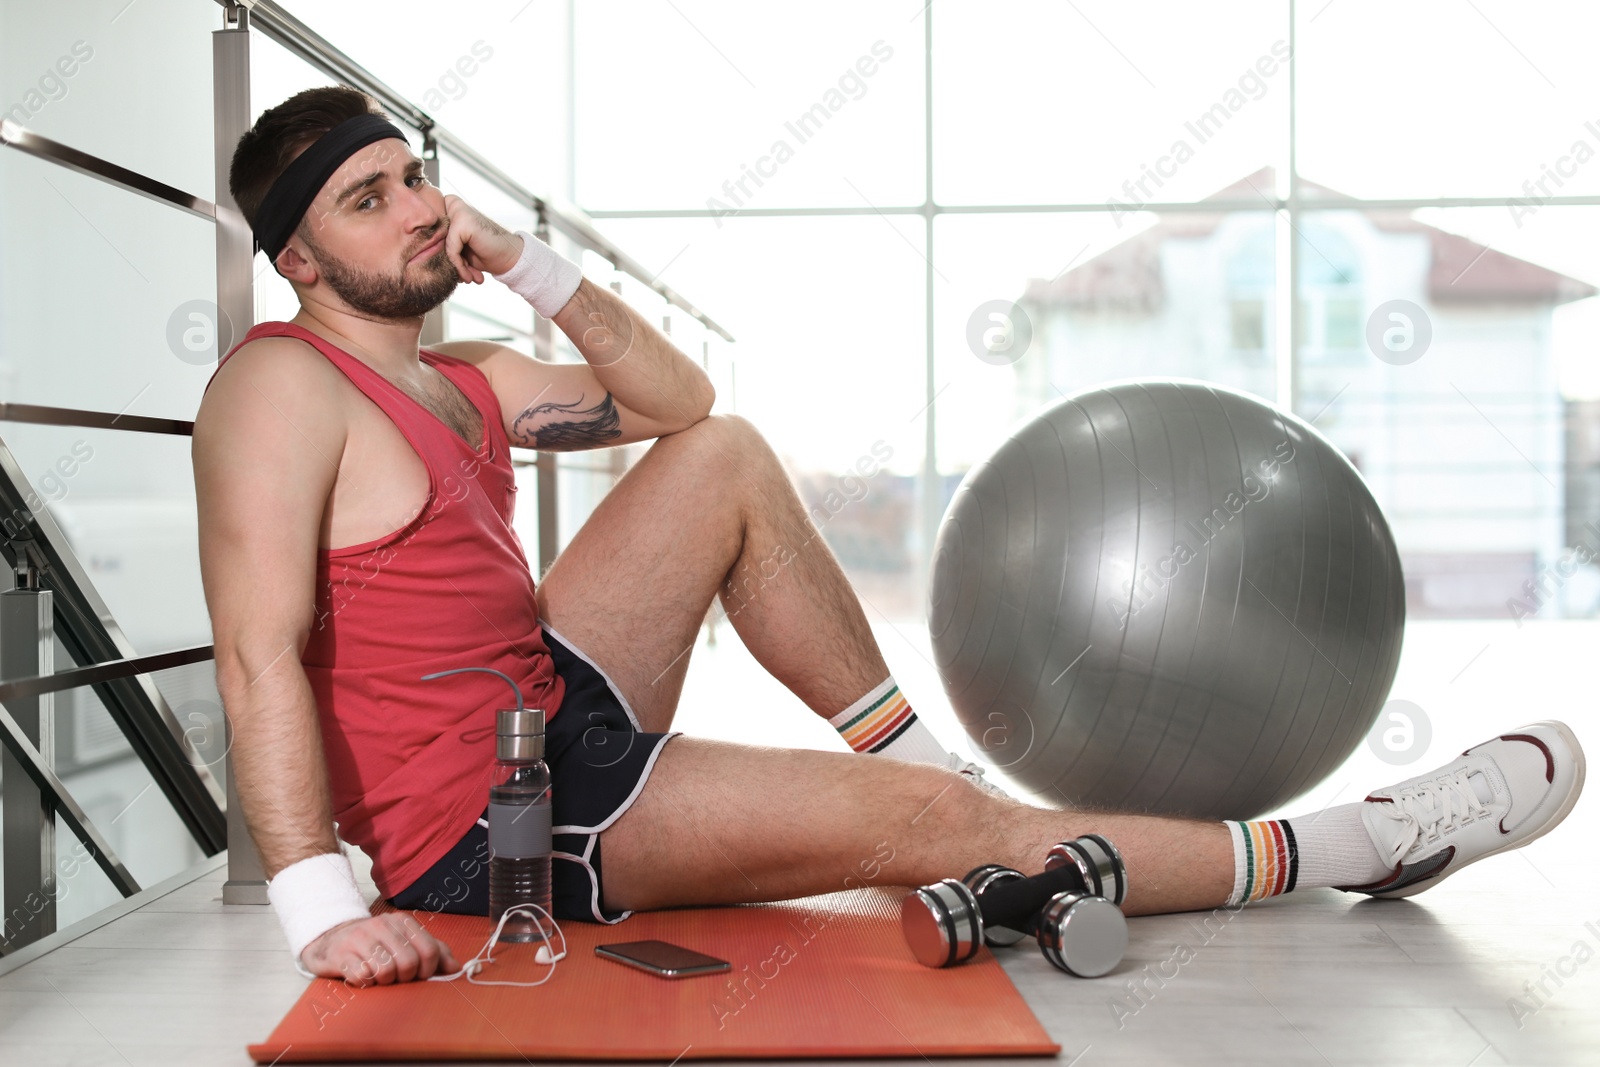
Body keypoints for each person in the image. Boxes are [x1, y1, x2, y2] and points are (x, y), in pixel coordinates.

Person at [195, 86, 1587, 987]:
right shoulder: (279, 387)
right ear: (300, 261)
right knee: (933, 834)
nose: (422, 206)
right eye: (365, 200)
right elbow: (258, 658)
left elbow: (684, 403)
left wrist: (533, 263)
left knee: (721, 457)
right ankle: (1360, 843)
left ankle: (925, 771)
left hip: (543, 704)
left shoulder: (470, 376)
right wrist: (320, 903)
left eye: (412, 173)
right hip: (489, 824)